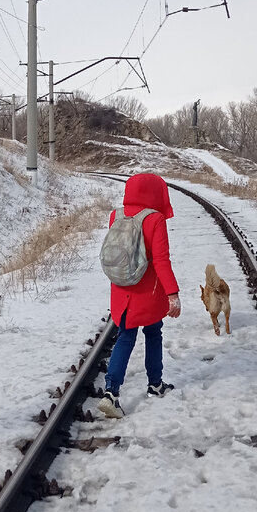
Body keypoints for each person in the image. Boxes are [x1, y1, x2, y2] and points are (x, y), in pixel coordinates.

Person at [98, 172, 181, 419]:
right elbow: (162, 261)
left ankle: (111, 392)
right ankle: (154, 384)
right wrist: (172, 293)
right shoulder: (155, 219)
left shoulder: (116, 215)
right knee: (153, 332)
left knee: (125, 336)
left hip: (122, 290)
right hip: (148, 291)